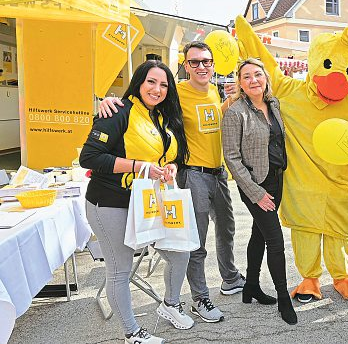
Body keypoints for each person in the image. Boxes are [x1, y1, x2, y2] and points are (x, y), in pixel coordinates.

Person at [98, 41, 244, 324]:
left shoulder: (214, 90)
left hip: (218, 173)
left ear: (214, 64)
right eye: (194, 62)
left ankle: (230, 278)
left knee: (227, 229)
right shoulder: (177, 93)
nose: (201, 66)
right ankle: (200, 298)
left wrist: (230, 102)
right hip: (193, 174)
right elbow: (145, 100)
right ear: (185, 65)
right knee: (195, 242)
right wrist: (107, 101)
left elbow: (212, 119)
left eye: (206, 61)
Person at [80, 60, 193, 343]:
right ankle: (132, 333)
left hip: (150, 202)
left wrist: (171, 168)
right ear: (139, 82)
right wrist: (139, 167)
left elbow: (175, 157)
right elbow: (90, 158)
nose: (157, 89)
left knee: (180, 253)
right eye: (151, 82)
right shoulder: (117, 111)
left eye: (164, 84)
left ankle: (170, 304)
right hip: (110, 203)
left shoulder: (164, 116)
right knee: (120, 269)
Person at [222, 58, 297, 325]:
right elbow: (232, 158)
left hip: (276, 180)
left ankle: (250, 285)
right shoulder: (235, 112)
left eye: (257, 74)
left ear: (265, 77)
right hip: (255, 185)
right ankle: (283, 299)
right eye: (246, 77)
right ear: (240, 83)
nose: (253, 80)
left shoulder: (273, 105)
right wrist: (256, 193)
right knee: (275, 241)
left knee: (259, 233)